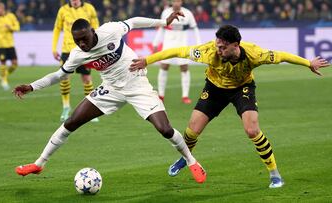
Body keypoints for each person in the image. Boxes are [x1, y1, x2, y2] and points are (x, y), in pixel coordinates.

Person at [13, 12, 207, 184]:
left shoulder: (110, 30)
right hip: (110, 89)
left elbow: (134, 22)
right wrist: (31, 86)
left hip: (136, 84)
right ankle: (39, 164)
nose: (82, 44)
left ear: (93, 32)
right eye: (77, 40)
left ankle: (191, 161)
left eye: (84, 39)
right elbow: (60, 75)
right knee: (71, 122)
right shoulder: (78, 54)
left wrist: (164, 21)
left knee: (165, 129)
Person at [130, 24, 330, 188]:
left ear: (236, 45)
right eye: (217, 45)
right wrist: (147, 60)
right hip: (215, 88)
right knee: (191, 131)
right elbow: (176, 51)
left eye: (223, 47)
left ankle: (274, 174)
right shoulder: (208, 51)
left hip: (242, 88)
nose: (218, 50)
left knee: (252, 130)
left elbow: (282, 56)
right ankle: (187, 158)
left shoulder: (255, 54)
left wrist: (308, 63)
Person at [52, 0, 99, 122]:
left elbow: (96, 29)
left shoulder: (89, 9)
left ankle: (89, 110)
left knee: (86, 79)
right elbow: (57, 29)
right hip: (67, 50)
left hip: (85, 49)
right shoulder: (63, 10)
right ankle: (66, 107)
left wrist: (97, 47)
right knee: (64, 77)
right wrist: (53, 48)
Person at [152, 0, 201, 104]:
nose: (176, 3)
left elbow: (195, 28)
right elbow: (161, 28)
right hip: (168, 44)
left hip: (182, 45)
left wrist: (199, 44)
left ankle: (185, 96)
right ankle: (161, 95)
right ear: (172, 2)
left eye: (178, 1)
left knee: (184, 68)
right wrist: (155, 43)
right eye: (174, 1)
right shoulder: (166, 12)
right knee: (164, 66)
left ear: (181, 2)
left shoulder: (188, 13)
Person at [0, 2, 20, 90]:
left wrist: (10, 27)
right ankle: (4, 81)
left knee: (15, 64)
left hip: (10, 44)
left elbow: (17, 27)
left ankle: (4, 75)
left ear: (3, 9)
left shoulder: (11, 16)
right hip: (0, 45)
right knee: (3, 62)